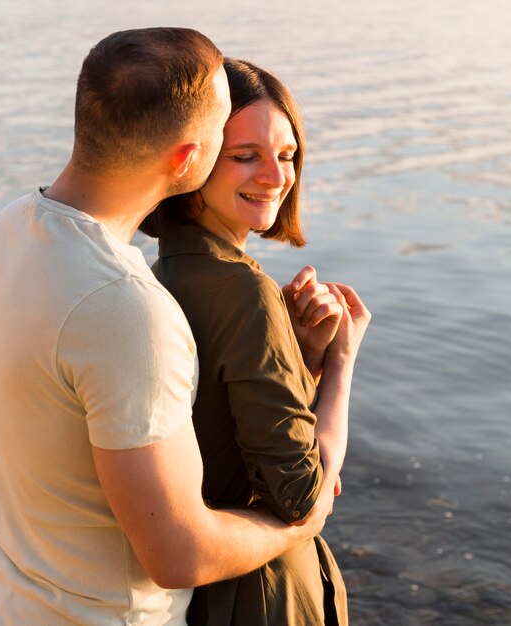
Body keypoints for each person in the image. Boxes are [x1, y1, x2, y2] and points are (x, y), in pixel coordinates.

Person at [0, 30, 333, 626]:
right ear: (189, 160)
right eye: (225, 140)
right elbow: (179, 554)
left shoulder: (8, 230)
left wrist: (293, 358)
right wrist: (300, 523)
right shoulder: (127, 309)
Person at [140, 59, 371, 625]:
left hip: (205, 597)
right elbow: (300, 496)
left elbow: (227, 431)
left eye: (287, 156)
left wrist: (300, 357)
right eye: (245, 156)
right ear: (190, 162)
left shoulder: (162, 272)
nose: (276, 176)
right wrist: (341, 361)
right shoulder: (244, 291)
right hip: (262, 592)